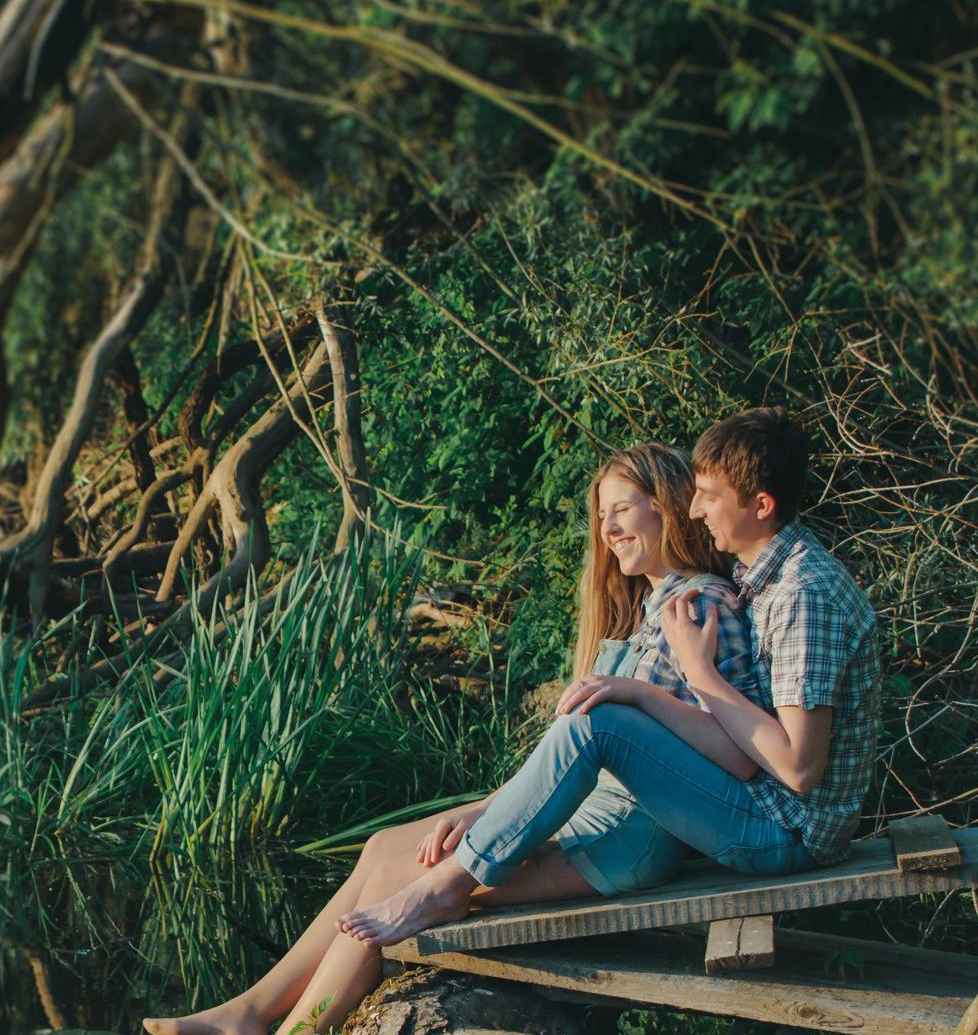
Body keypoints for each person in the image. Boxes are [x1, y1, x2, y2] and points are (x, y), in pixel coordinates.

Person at [144, 441, 764, 1035]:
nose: (608, 531)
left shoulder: (697, 607)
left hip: (625, 836)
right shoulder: (652, 606)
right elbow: (561, 763)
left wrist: (487, 828)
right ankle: (253, 1009)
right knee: (386, 845)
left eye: (622, 510)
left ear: (669, 506)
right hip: (588, 811)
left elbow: (714, 751)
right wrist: (478, 815)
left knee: (392, 875)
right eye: (602, 516)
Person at [338, 406, 881, 950]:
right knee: (598, 722)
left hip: (788, 833)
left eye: (708, 496)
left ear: (760, 506)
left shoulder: (801, 595)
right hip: (763, 810)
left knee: (598, 725)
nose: (693, 509)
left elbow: (799, 768)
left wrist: (692, 675)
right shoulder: (765, 578)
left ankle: (449, 886)